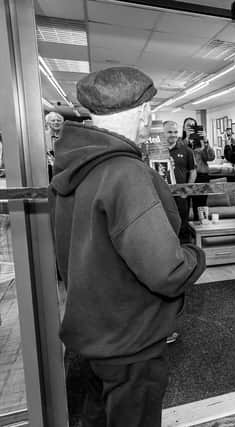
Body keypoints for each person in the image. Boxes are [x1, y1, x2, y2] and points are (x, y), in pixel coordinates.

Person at [48, 66, 206, 426]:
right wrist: (195, 255)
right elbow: (166, 270)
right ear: (139, 112)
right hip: (129, 343)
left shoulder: (69, 169)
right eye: (148, 107)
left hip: (88, 336)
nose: (150, 115)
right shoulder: (125, 172)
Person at [166, 120, 196, 243]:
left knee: (182, 226)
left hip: (181, 196)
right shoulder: (155, 151)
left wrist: (187, 191)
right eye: (169, 132)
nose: (173, 135)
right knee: (165, 226)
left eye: (175, 132)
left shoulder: (187, 150)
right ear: (163, 133)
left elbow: (193, 172)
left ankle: (186, 254)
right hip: (162, 195)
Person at [186, 121, 215, 221]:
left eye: (194, 127)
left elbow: (210, 157)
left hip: (202, 176)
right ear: (184, 128)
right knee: (185, 206)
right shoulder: (181, 143)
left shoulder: (202, 143)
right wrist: (187, 139)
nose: (192, 129)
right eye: (189, 126)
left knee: (201, 206)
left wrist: (205, 141)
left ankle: (200, 231)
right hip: (186, 177)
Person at [44, 111, 64, 179]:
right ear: (48, 123)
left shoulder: (65, 136)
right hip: (47, 170)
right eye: (53, 120)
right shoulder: (42, 137)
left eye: (59, 120)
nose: (56, 122)